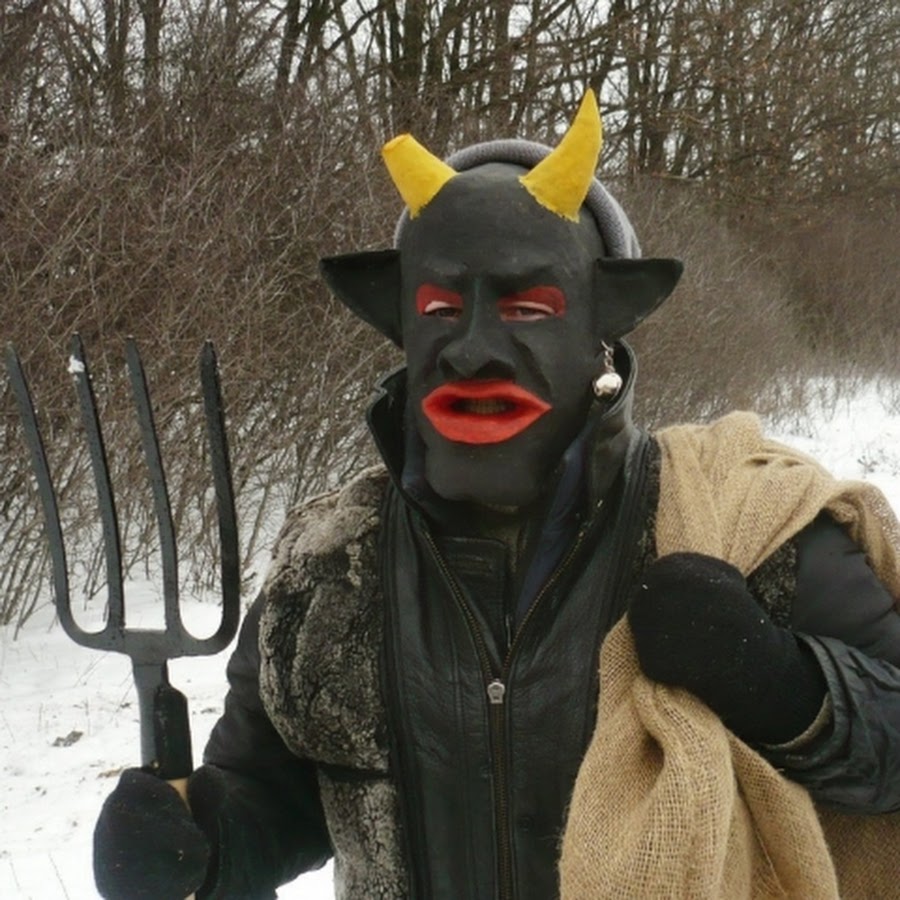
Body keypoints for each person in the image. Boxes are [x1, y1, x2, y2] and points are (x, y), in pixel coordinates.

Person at [93, 91, 900, 900]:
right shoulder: (330, 566)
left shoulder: (744, 529)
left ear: (602, 329)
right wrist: (203, 841)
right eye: (442, 309)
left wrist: (789, 691)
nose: (473, 350)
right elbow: (277, 789)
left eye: (527, 307)